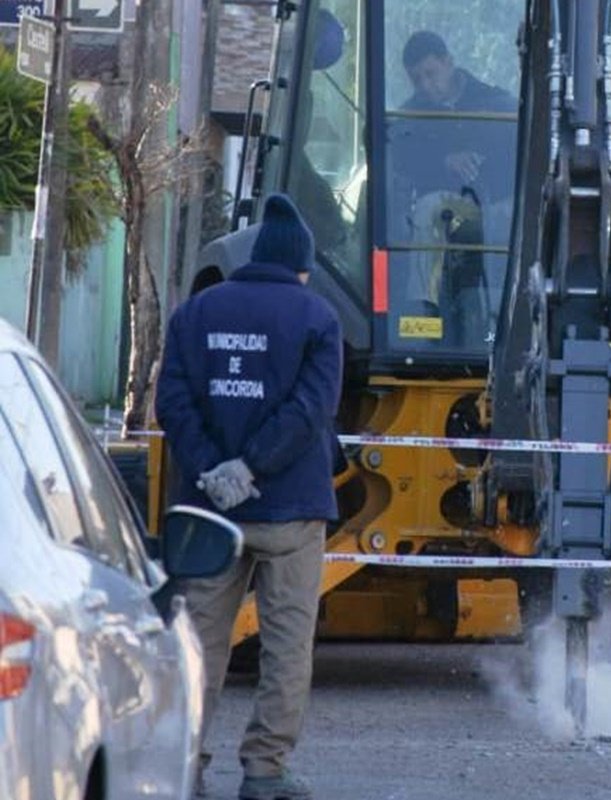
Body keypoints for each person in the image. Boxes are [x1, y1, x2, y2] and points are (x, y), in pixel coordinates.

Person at [155, 193, 342, 800]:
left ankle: (187, 765)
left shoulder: (197, 312)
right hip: (290, 511)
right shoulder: (318, 318)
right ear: (301, 266)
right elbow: (310, 409)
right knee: (286, 646)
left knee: (199, 645)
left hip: (210, 514)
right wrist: (253, 464)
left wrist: (215, 469)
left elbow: (173, 402)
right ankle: (265, 771)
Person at [390, 31, 518, 343]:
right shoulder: (410, 118)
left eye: (430, 74)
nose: (425, 85)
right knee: (429, 210)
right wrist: (444, 161)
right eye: (416, 79)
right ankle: (424, 313)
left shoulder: (496, 102)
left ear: (448, 62)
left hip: (504, 205)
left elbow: (522, 151)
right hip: (455, 209)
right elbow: (400, 158)